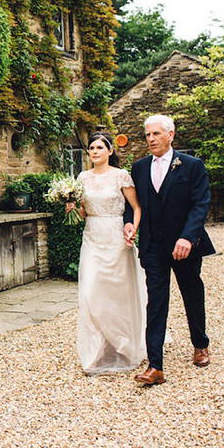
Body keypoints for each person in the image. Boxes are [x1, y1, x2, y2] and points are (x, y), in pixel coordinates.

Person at [124, 114, 215, 386]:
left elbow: (201, 204)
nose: (151, 139)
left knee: (192, 293)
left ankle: (200, 344)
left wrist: (188, 237)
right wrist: (129, 223)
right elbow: (133, 203)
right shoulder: (139, 168)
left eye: (156, 134)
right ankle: (155, 366)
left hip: (184, 246)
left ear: (170, 135)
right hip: (153, 246)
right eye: (147, 135)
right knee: (156, 302)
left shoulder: (192, 165)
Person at [68, 131, 146, 375]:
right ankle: (94, 352)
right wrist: (71, 207)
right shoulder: (82, 177)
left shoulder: (121, 175)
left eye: (100, 147)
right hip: (92, 238)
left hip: (116, 238)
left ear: (110, 151)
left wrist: (132, 228)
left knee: (117, 292)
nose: (94, 151)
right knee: (90, 292)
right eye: (91, 148)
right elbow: (84, 213)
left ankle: (123, 344)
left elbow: (136, 207)